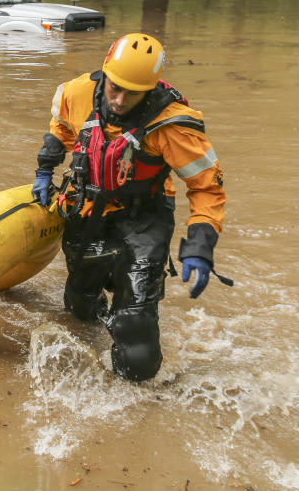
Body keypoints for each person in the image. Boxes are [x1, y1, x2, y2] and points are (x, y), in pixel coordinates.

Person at [31, 32, 229, 382]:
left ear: (150, 89)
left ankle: (136, 399)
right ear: (105, 74)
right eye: (114, 89)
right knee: (79, 306)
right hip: (88, 209)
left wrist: (200, 246)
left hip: (144, 217)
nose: (120, 100)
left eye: (132, 93)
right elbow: (60, 126)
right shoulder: (77, 92)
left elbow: (206, 189)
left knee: (135, 328)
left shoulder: (173, 126)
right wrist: (45, 170)